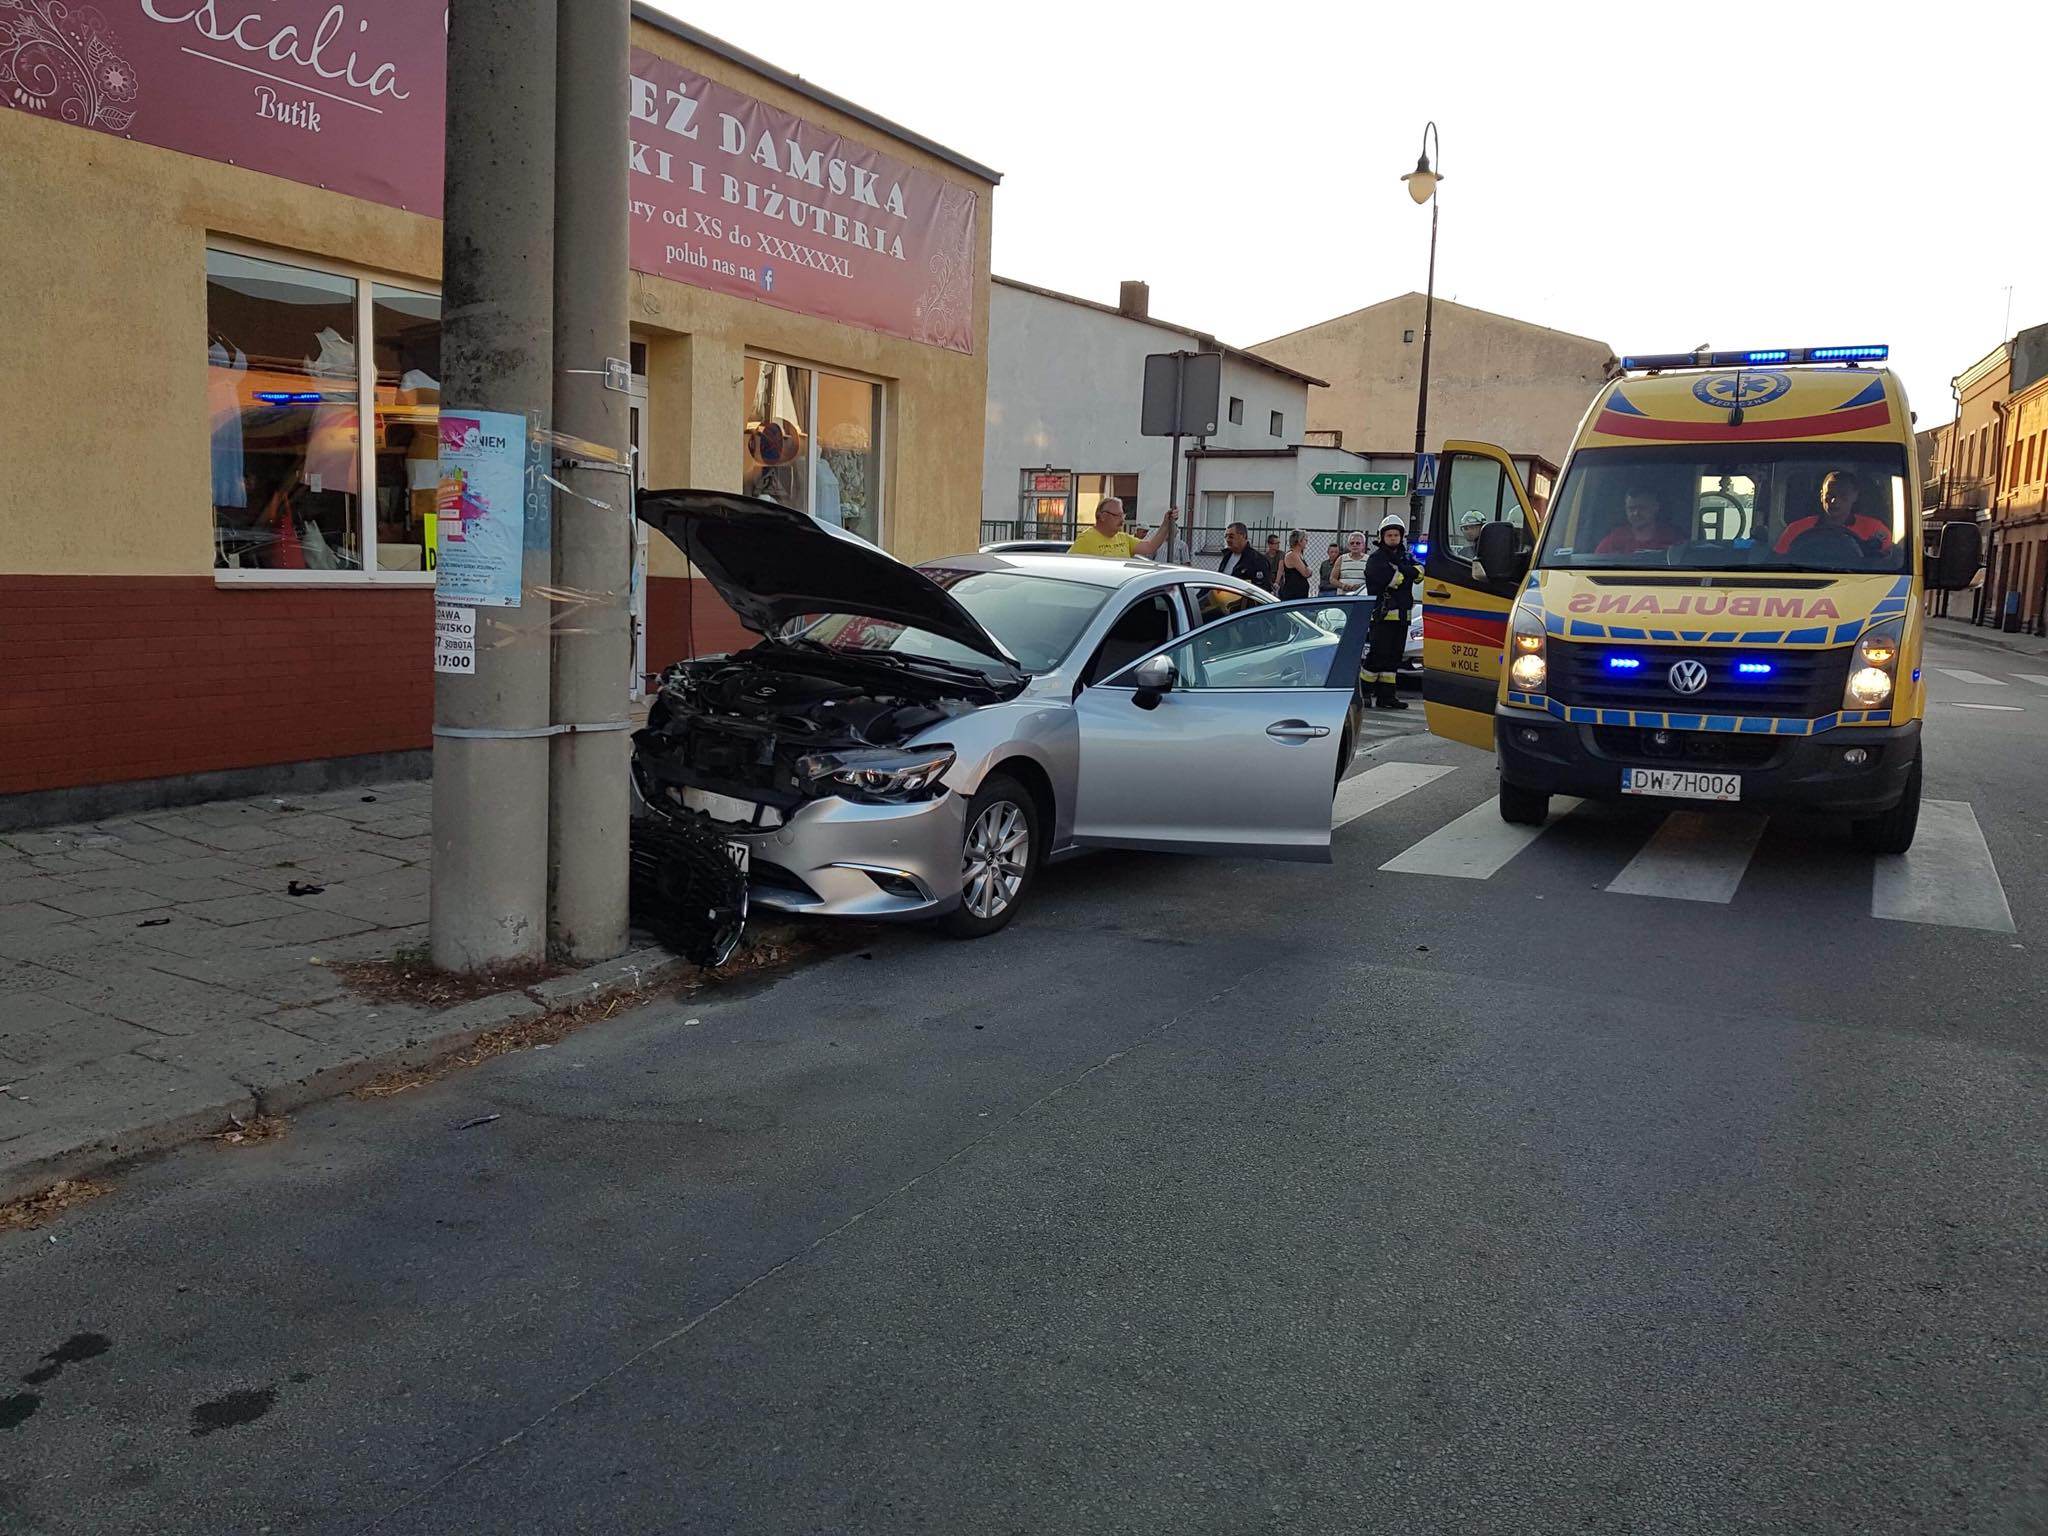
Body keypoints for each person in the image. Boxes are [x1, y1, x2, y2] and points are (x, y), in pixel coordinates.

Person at [1362, 515, 1421, 709]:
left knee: (1394, 658)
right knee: (1378, 656)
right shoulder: (1376, 558)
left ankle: (1387, 697)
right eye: (1390, 535)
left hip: (1403, 615)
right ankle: (1364, 693)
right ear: (1382, 537)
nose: (1393, 538)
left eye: (1396, 535)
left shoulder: (1405, 556)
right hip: (1383, 616)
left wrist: (1406, 571)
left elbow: (1420, 572)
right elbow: (1393, 580)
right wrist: (1407, 572)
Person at [1774, 470, 1894, 556]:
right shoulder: (1796, 529)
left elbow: (1889, 562)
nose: (1834, 501)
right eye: (1830, 495)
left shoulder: (1874, 529)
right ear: (1821, 496)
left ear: (1855, 496)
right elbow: (1778, 562)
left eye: (1843, 495)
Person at [1070, 496, 1175, 559]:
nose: (1122, 520)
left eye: (1123, 515)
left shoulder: (1123, 538)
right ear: (1102, 516)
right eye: (1117, 516)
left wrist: (1166, 524)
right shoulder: (1086, 539)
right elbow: (1067, 569)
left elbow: (1150, 546)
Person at [1595, 487, 1681, 556]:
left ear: (1655, 508)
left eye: (1642, 508)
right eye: (1631, 509)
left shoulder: (1672, 540)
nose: (1636, 513)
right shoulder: (1614, 540)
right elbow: (1596, 564)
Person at [1215, 521, 1272, 587]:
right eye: (1226, 536)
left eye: (1231, 536)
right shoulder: (1226, 556)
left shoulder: (1257, 560)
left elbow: (1262, 588)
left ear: (1243, 536)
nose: (1227, 540)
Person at [1277, 530, 1312, 599]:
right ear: (1299, 541)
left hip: (1300, 593)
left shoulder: (1299, 555)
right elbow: (1306, 573)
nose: (1307, 542)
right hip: (1293, 594)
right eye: (1305, 540)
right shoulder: (1292, 555)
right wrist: (1309, 570)